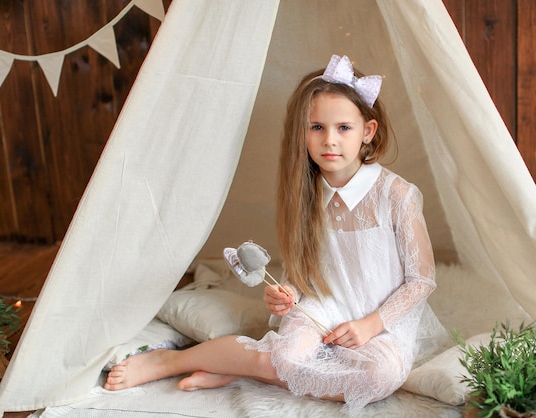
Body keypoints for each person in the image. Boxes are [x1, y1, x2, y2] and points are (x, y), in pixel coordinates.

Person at [104, 54, 446, 414]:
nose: (330, 140)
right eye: (317, 128)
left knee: (380, 376)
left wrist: (370, 325)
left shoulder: (397, 195)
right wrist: (289, 292)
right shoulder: (308, 193)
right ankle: (169, 361)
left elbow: (421, 281)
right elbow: (304, 265)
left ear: (368, 132)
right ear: (303, 133)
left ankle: (241, 371)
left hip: (380, 316)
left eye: (344, 128)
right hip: (322, 302)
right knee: (285, 356)